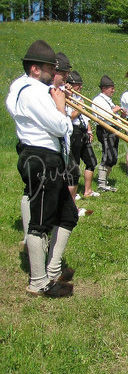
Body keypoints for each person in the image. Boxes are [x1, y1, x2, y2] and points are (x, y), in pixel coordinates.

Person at [6, 40, 77, 297]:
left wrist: (59, 104)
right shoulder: (32, 91)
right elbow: (61, 127)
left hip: (50, 158)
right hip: (40, 158)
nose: (53, 73)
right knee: (40, 222)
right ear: (36, 69)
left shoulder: (32, 89)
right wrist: (60, 106)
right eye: (49, 68)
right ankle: (38, 282)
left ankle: (53, 269)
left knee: (68, 215)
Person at [65, 71, 99, 209]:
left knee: (91, 161)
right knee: (75, 165)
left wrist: (89, 130)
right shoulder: (65, 99)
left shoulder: (79, 98)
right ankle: (72, 194)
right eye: (78, 85)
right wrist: (79, 108)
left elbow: (85, 117)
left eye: (80, 85)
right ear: (70, 85)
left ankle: (88, 190)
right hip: (73, 132)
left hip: (83, 131)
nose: (80, 88)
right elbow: (69, 117)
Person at [91, 75, 122, 191]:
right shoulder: (98, 100)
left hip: (113, 129)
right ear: (104, 89)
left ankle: (105, 181)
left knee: (113, 158)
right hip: (105, 130)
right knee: (107, 156)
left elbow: (114, 117)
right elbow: (103, 116)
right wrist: (115, 111)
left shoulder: (108, 101)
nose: (113, 90)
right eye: (111, 88)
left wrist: (121, 115)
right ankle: (101, 183)